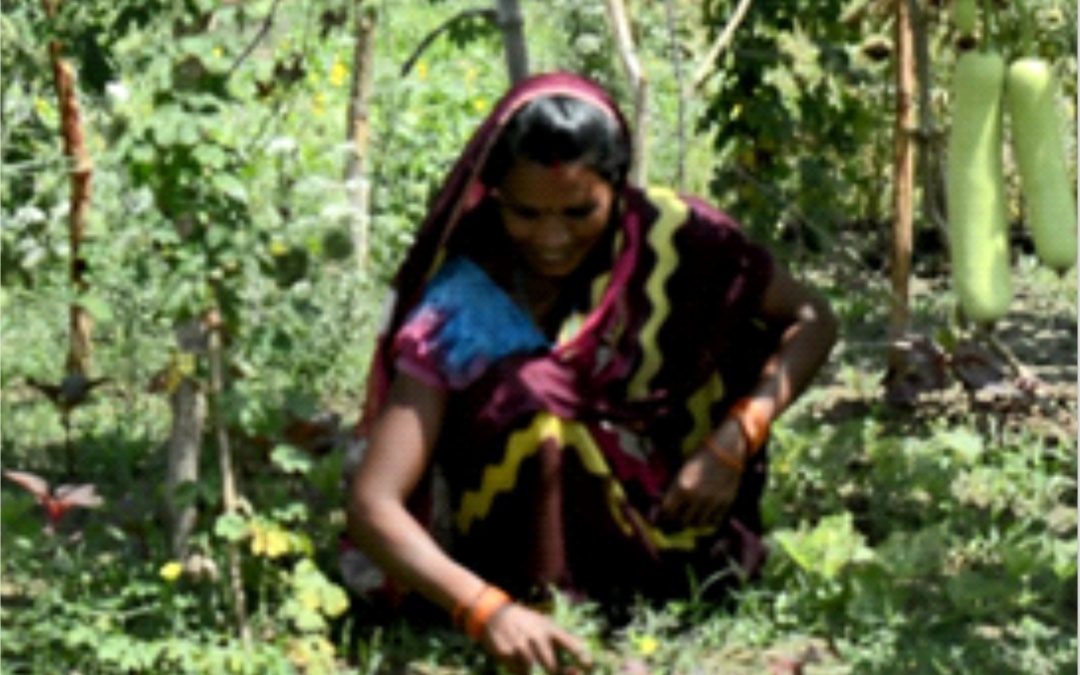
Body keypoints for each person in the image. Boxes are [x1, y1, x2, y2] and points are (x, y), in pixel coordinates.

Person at [345, 71, 838, 675]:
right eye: (526, 213)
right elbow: (373, 504)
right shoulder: (469, 296)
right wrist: (484, 610)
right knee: (537, 410)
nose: (551, 239)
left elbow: (813, 319)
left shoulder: (681, 238)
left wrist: (734, 441)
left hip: (682, 536)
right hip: (518, 570)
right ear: (494, 194)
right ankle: (556, 609)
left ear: (618, 189)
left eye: (580, 212)